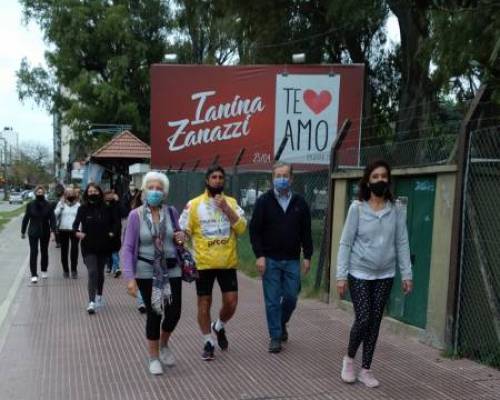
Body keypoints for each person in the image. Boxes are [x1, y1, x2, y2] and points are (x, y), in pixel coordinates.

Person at [336, 160, 413, 388]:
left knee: (375, 322)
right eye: (375, 177)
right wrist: (341, 276)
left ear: (388, 180)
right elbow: (345, 243)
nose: (380, 180)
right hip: (359, 272)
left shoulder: (396, 209)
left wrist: (406, 274)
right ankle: (349, 359)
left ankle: (366, 369)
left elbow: (402, 242)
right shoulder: (357, 208)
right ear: (368, 182)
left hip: (385, 274)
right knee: (364, 318)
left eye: (384, 176)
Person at [179, 165, 247, 361]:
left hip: (227, 262)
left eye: (220, 177)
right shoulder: (194, 204)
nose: (217, 180)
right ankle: (208, 341)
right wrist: (181, 237)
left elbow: (242, 228)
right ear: (207, 181)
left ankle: (219, 326)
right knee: (203, 304)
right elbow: (184, 230)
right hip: (203, 263)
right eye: (214, 177)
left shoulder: (232, 203)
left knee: (231, 303)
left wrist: (226, 208)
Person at [122, 171, 185, 375]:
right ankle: (153, 357)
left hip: (171, 269)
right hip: (146, 271)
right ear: (144, 191)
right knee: (154, 313)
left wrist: (181, 237)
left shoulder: (172, 212)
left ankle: (164, 344)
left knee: (174, 312)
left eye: (159, 189)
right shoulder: (136, 215)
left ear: (164, 193)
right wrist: (129, 278)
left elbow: (179, 238)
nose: (155, 192)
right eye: (151, 188)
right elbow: (128, 248)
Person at [249, 162, 313, 353]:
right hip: (270, 259)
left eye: (285, 175)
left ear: (292, 178)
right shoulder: (263, 201)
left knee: (292, 297)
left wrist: (307, 255)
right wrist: (259, 255)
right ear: (272, 178)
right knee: (272, 300)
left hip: (292, 259)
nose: (282, 179)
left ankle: (281, 322)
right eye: (278, 175)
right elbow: (255, 231)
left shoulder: (300, 203)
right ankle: (275, 336)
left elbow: (306, 232)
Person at [73, 183, 119, 315]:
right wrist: (77, 232)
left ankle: (99, 294)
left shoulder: (107, 208)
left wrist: (112, 233)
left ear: (99, 192)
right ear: (87, 193)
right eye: (90, 191)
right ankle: (91, 302)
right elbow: (75, 224)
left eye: (95, 191)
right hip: (88, 245)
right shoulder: (83, 208)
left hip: (103, 244)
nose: (92, 193)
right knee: (92, 272)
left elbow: (115, 222)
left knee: (100, 273)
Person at [21, 185, 56, 283]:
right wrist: (23, 231)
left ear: (44, 193)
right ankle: (33, 274)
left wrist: (53, 231)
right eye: (38, 192)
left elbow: (52, 219)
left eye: (41, 192)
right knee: (34, 252)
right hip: (33, 231)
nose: (40, 194)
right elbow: (26, 218)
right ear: (35, 193)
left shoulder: (48, 205)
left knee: (44, 251)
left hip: (45, 231)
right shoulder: (30, 204)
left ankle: (44, 270)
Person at [54, 188, 81, 278]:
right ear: (65, 195)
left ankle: (74, 270)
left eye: (71, 193)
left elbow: (81, 218)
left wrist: (80, 229)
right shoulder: (61, 204)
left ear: (75, 195)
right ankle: (65, 270)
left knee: (74, 250)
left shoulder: (78, 205)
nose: (70, 195)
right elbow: (55, 214)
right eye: (68, 193)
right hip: (63, 229)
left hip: (74, 230)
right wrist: (61, 206)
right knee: (64, 251)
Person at [104, 189, 122, 277]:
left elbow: (123, 213)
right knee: (108, 251)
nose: (110, 196)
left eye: (111, 194)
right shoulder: (103, 205)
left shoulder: (116, 204)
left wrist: (118, 202)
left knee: (114, 251)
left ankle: (116, 268)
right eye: (108, 195)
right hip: (105, 232)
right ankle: (111, 267)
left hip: (115, 231)